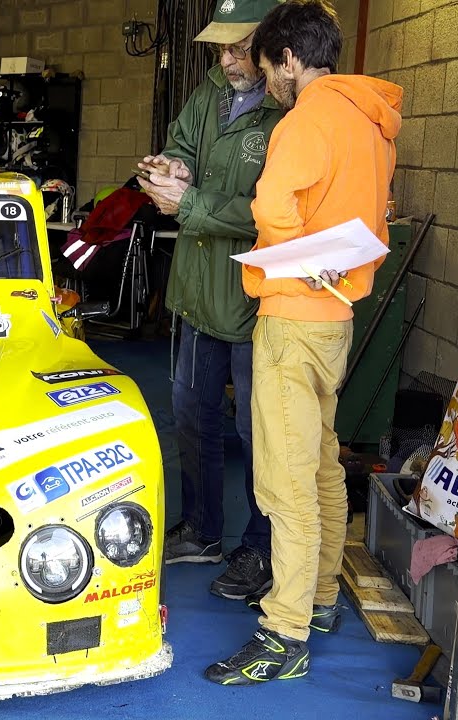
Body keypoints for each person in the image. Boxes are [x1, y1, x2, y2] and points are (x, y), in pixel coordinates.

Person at [203, 0, 401, 686]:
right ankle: (317, 599)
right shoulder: (370, 120)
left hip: (292, 315)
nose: (268, 83)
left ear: (289, 59)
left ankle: (283, 634)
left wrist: (294, 256)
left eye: (267, 68)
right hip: (337, 318)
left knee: (284, 482)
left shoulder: (306, 118)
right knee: (319, 464)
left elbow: (270, 206)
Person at [135, 0, 284, 603]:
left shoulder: (286, 114)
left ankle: (258, 543)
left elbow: (270, 216)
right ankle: (201, 530)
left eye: (240, 47)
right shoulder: (209, 94)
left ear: (273, 45)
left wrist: (189, 202)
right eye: (220, 48)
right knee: (192, 415)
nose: (227, 59)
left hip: (252, 303)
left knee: (257, 432)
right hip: (198, 293)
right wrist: (170, 167)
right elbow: (185, 148)